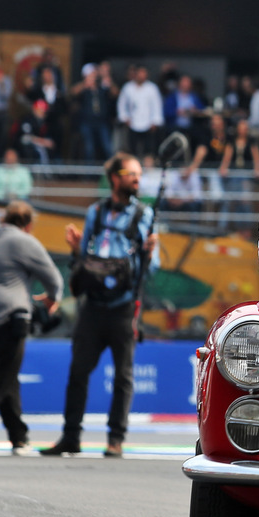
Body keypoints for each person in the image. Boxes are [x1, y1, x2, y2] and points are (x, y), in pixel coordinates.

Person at [42, 152, 160, 457]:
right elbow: (86, 255)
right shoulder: (95, 212)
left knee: (124, 376)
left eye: (139, 174)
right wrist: (77, 249)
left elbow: (153, 267)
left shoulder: (144, 215)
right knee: (77, 372)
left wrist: (149, 252)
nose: (137, 179)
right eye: (131, 173)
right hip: (92, 306)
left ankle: (115, 439)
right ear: (114, 178)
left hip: (123, 308)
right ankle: (70, 437)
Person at [0, 202, 62, 454]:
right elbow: (54, 280)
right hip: (7, 317)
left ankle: (18, 436)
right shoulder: (23, 240)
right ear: (28, 225)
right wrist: (51, 299)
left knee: (6, 375)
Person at [117, 65, 163, 159]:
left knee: (149, 150)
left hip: (148, 124)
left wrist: (155, 121)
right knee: (132, 149)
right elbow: (121, 104)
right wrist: (125, 118)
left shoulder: (152, 88)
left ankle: (148, 170)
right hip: (133, 123)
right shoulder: (128, 87)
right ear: (136, 74)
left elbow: (157, 105)